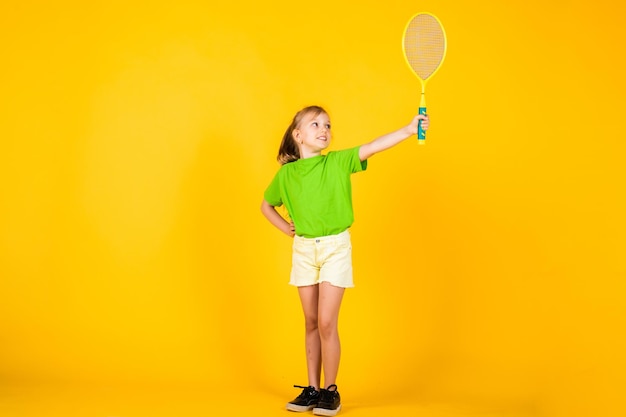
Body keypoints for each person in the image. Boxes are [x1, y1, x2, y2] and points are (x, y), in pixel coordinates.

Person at [260, 105, 430, 416]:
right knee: (310, 321)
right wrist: (287, 228)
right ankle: (311, 389)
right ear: (298, 135)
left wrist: (408, 130)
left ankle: (330, 390)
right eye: (315, 124)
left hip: (336, 247)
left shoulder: (337, 162)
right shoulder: (286, 175)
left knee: (326, 322)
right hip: (304, 250)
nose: (324, 128)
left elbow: (373, 146)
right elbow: (266, 205)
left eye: (327, 124)